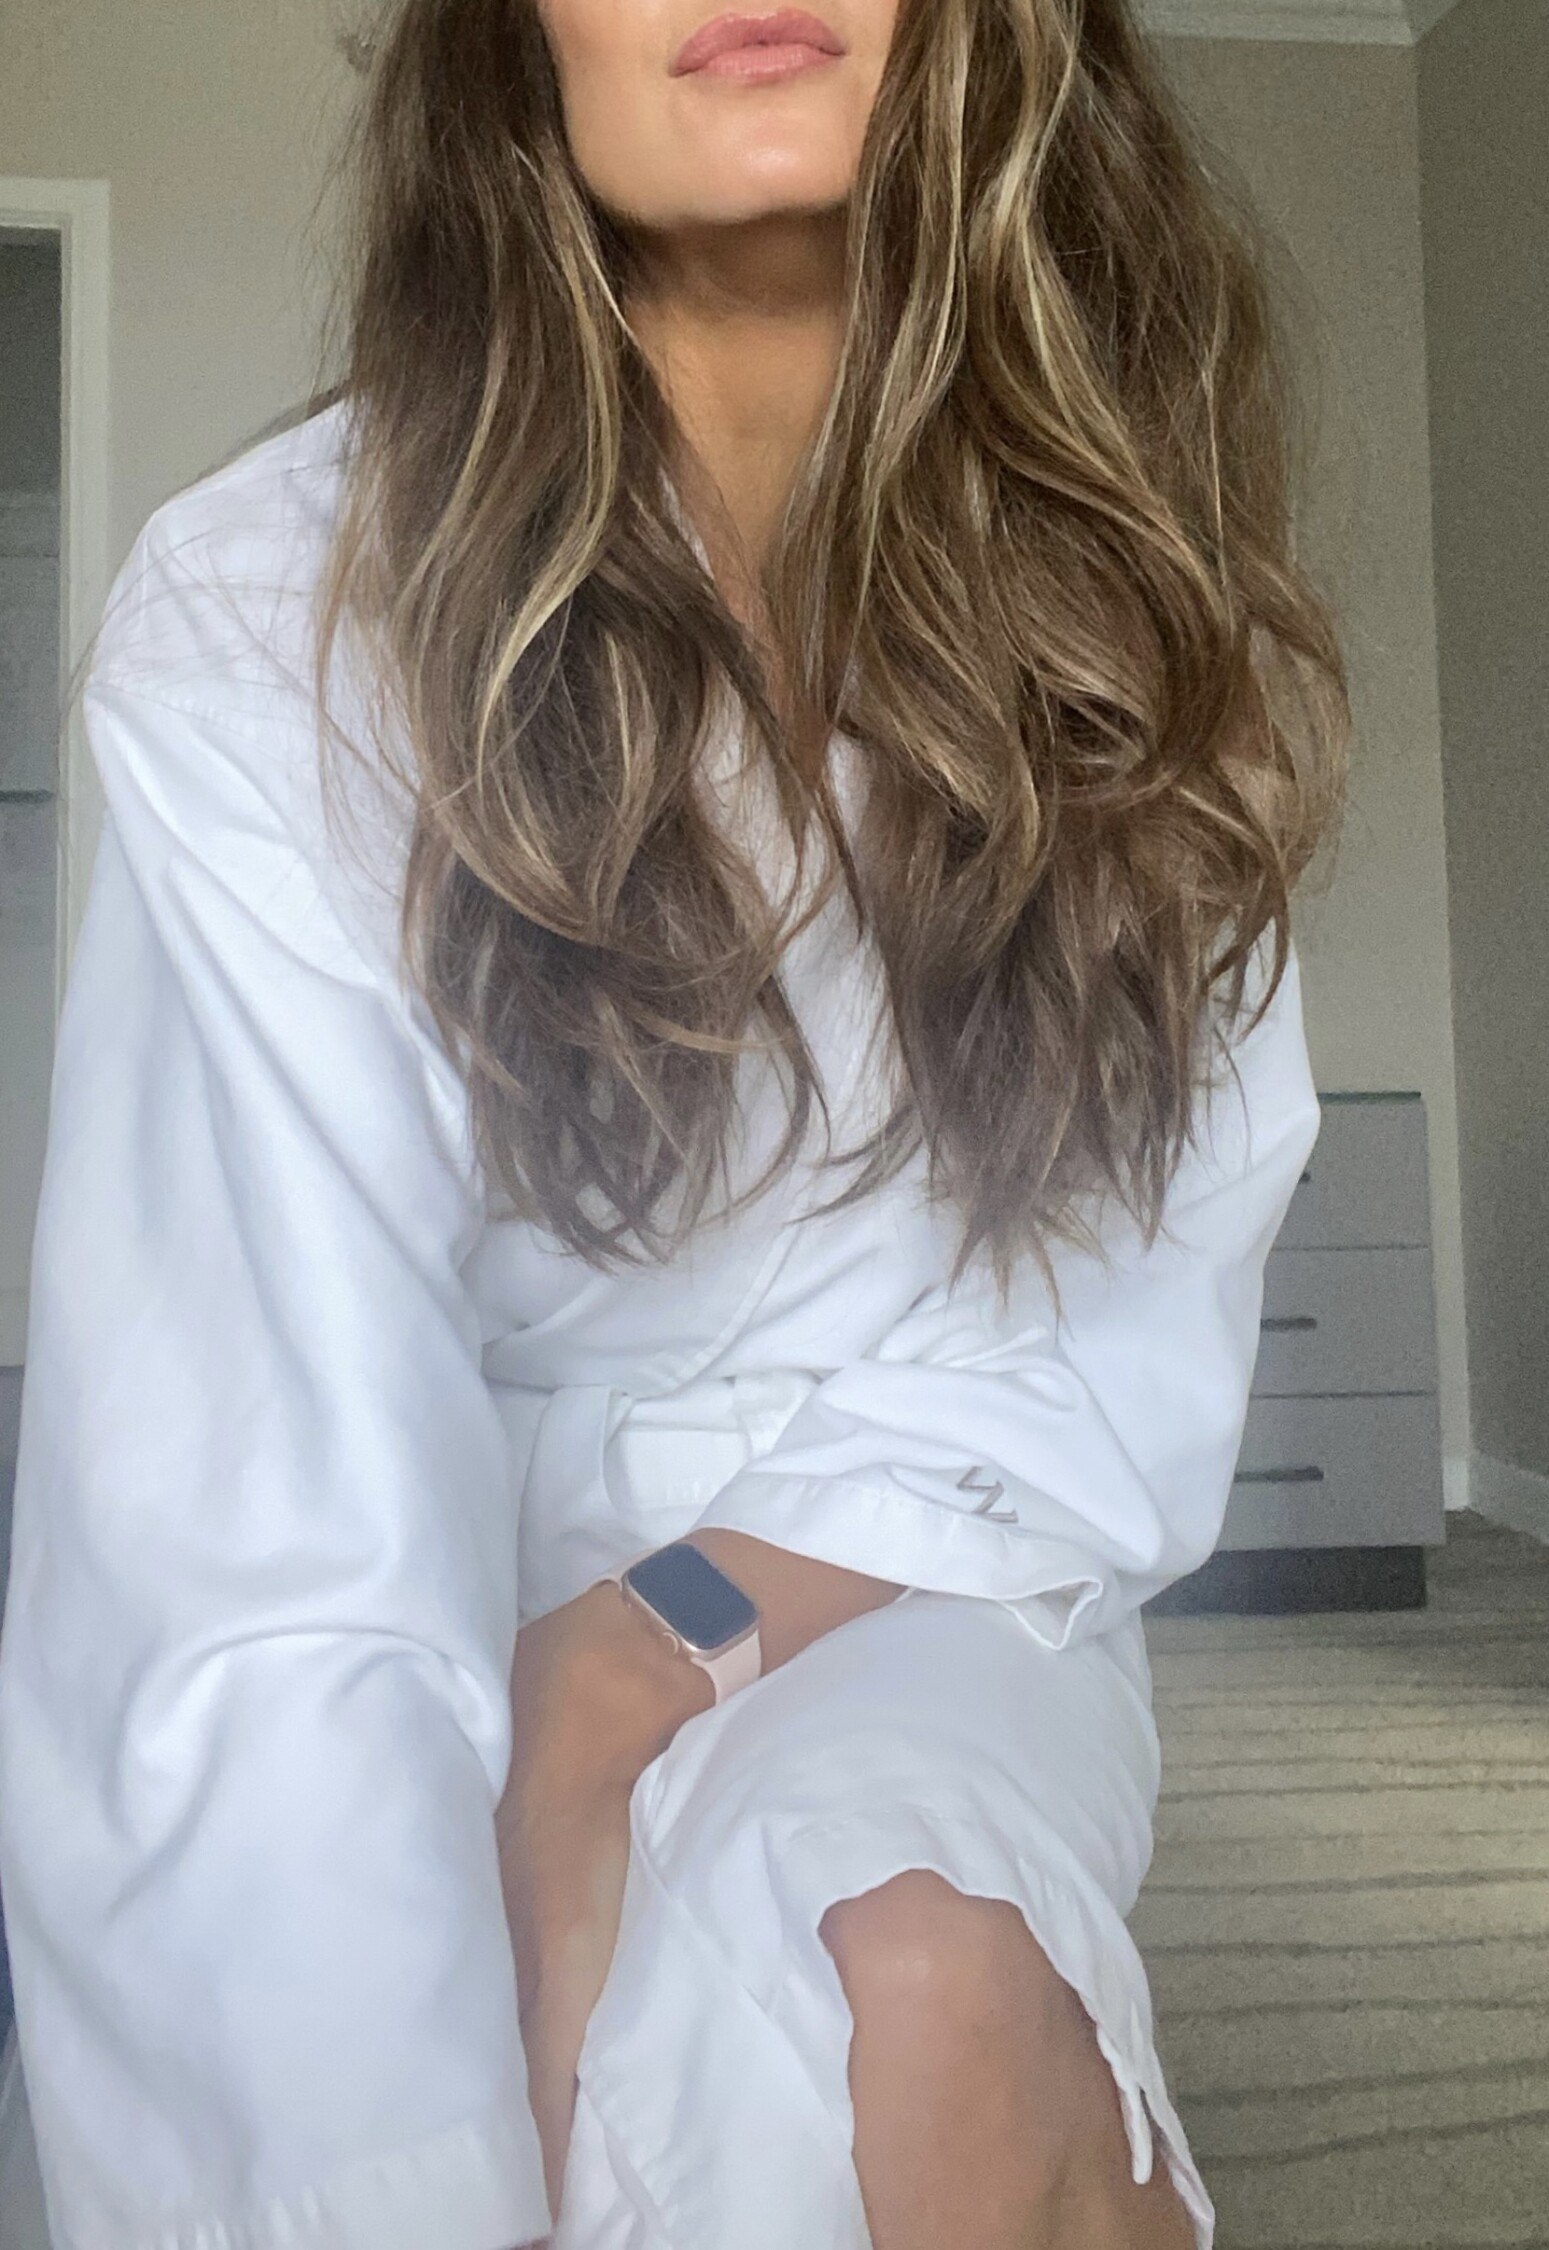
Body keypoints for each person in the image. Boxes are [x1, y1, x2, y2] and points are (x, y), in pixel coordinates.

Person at [0, 2, 1348, 2246]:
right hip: (429, 1558)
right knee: (443, 2101)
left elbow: (1106, 1347)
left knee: (910, 1968)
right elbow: (252, 1508)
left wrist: (630, 1660)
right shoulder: (273, 613)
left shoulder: (1119, 588)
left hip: (931, 1558)